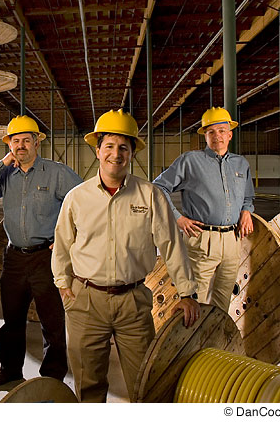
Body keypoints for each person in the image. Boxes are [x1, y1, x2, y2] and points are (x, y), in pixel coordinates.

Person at [52, 109, 200, 402]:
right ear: (97, 151)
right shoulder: (77, 197)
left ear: (132, 153)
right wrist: (62, 284)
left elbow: (171, 244)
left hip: (133, 302)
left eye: (123, 147)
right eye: (109, 146)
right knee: (88, 383)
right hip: (86, 302)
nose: (115, 154)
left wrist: (187, 292)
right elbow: (62, 243)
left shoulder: (150, 196)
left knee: (143, 382)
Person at [0, 115, 82, 387]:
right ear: (10, 145)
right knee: (11, 320)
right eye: (15, 141)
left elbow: (85, 203)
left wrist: (70, 238)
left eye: (26, 140)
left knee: (52, 321)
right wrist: (4, 162)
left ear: (36, 143)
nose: (21, 145)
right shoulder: (6, 174)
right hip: (14, 259)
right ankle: (10, 370)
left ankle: (53, 376)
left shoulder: (56, 173)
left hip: (46, 257)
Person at [153, 107, 254, 312]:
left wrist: (246, 211)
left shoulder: (241, 164)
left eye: (222, 130)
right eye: (211, 132)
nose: (217, 136)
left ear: (230, 134)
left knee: (223, 300)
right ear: (205, 136)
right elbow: (158, 187)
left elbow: (248, 196)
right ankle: (194, 345)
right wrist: (177, 218)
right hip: (201, 239)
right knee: (194, 302)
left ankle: (215, 344)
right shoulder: (190, 161)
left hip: (232, 240)